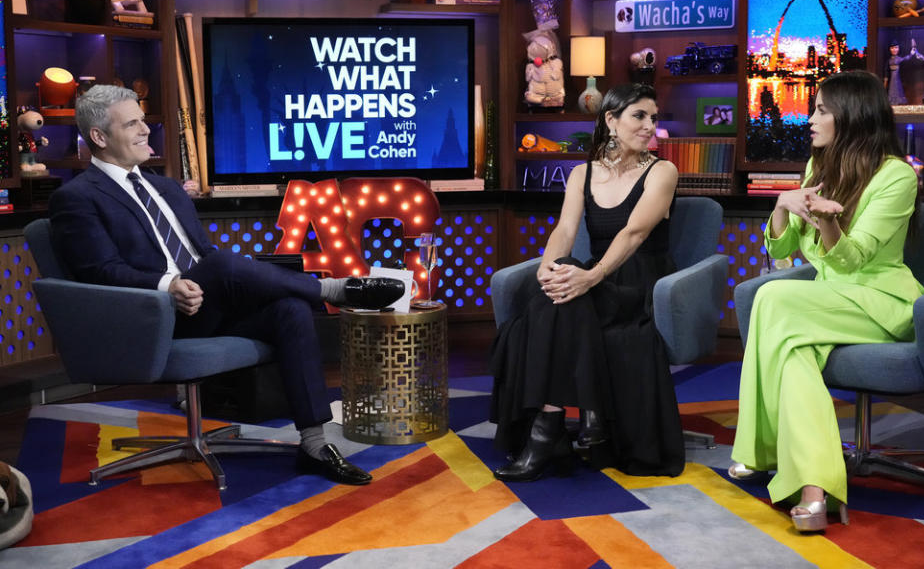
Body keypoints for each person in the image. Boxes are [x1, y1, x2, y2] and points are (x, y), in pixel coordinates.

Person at [48, 85, 406, 486]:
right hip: (152, 315)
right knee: (222, 265)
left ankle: (314, 444)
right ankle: (333, 291)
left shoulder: (164, 187)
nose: (146, 130)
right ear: (98, 137)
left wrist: (217, 281)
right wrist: (169, 285)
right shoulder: (76, 198)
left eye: (143, 120)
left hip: (208, 304)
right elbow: (101, 271)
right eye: (132, 123)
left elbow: (201, 253)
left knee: (287, 308)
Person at [728, 70, 924, 532]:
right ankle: (816, 489)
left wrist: (828, 221)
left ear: (852, 115)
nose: (809, 118)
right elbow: (779, 249)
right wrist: (782, 206)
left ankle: (758, 452)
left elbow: (854, 261)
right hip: (826, 297)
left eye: (819, 109)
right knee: (792, 350)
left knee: (772, 299)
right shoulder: (819, 166)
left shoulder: (897, 176)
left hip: (880, 300)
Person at [489, 83, 685, 482]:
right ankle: (561, 422)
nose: (650, 126)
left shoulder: (663, 171)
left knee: (565, 298)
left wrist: (590, 276)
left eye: (653, 117)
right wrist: (549, 267)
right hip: (595, 276)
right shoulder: (583, 172)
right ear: (611, 121)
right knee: (552, 292)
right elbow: (564, 229)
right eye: (639, 116)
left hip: (639, 282)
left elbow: (634, 234)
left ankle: (545, 436)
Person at [884, 39, 911, 106]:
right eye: (892, 48)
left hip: (898, 78)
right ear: (889, 49)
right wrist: (885, 80)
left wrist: (911, 54)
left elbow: (906, 59)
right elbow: (886, 70)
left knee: (898, 89)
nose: (894, 49)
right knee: (891, 90)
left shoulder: (899, 59)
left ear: (899, 48)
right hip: (891, 79)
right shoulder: (889, 60)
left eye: (896, 47)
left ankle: (898, 101)